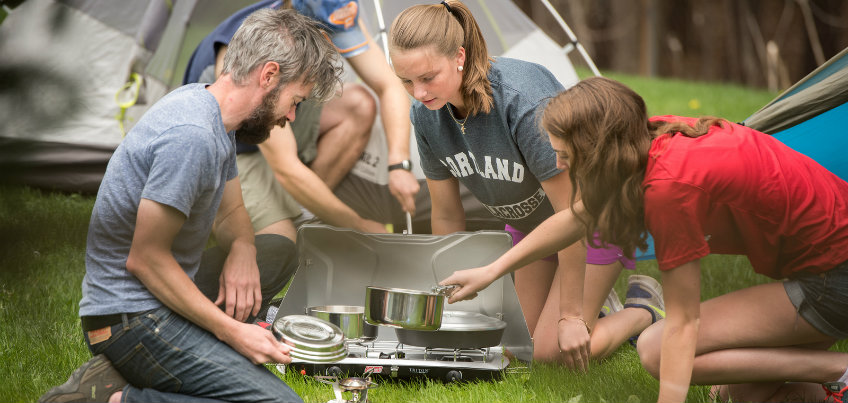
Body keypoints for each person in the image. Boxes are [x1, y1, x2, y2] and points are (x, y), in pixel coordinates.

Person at [443, 76, 848, 403]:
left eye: (565, 155)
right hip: (825, 267)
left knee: (656, 349)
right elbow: (576, 218)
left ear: (596, 150)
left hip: (834, 279)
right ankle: (825, 383)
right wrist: (492, 270)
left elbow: (684, 323)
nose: (559, 165)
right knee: (736, 393)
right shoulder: (647, 137)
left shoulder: (670, 188)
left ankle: (837, 369)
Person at [38, 8, 342, 403]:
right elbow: (145, 259)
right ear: (268, 76)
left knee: (277, 250)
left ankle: (126, 373)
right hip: (131, 319)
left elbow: (232, 213)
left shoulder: (215, 116)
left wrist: (243, 249)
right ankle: (116, 398)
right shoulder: (192, 136)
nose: (291, 115)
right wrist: (233, 333)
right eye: (294, 99)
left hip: (157, 299)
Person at [388, 0, 665, 369]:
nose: (418, 93)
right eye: (406, 81)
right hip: (530, 232)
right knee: (518, 349)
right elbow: (447, 213)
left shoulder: (523, 103)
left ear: (459, 56)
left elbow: (573, 217)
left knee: (551, 354)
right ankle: (594, 305)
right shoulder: (426, 117)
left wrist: (568, 316)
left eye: (427, 77)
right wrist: (444, 295)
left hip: (590, 225)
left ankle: (642, 310)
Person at [184, 0, 419, 241]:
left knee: (359, 104)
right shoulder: (253, 43)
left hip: (272, 123)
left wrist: (399, 164)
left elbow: (390, 84)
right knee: (279, 240)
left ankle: (303, 213)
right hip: (233, 148)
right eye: (324, 32)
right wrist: (360, 226)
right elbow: (286, 167)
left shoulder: (340, 8)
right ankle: (278, 219)